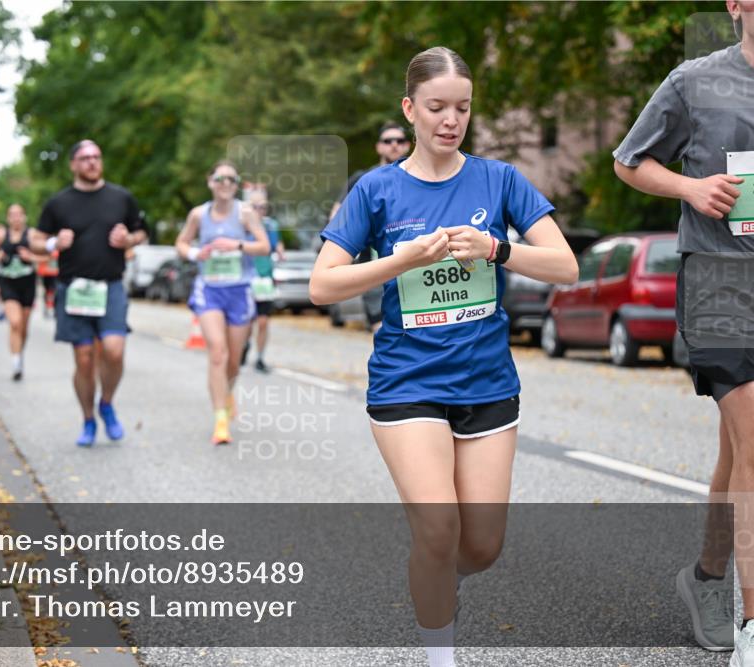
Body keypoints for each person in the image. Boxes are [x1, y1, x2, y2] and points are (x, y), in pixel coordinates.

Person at [309, 47, 577, 667]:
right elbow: (324, 285)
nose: (450, 119)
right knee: (437, 529)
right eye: (436, 107)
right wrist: (403, 259)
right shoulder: (376, 189)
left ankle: (439, 579)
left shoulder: (500, 180)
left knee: (480, 546)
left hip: (486, 381)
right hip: (407, 381)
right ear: (410, 110)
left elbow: (564, 266)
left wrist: (494, 248)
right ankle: (440, 655)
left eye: (461, 107)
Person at [614, 2, 754, 662]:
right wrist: (693, 190)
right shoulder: (694, 81)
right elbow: (629, 160)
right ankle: (752, 627)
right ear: (735, 4)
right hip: (721, 283)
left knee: (740, 453)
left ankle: (706, 576)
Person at [29, 140, 148, 447]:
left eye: (97, 157)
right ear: (73, 165)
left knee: (114, 350)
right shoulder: (59, 203)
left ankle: (106, 403)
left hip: (110, 286)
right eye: (85, 158)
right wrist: (55, 244)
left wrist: (128, 239)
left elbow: (141, 233)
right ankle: (87, 419)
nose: (92, 163)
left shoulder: (122, 198)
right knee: (83, 359)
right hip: (75, 288)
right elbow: (36, 240)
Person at [175, 160, 270, 444]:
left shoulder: (246, 213)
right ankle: (220, 421)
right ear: (210, 182)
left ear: (236, 185)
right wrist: (195, 254)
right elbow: (181, 243)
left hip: (239, 291)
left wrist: (237, 245)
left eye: (231, 179)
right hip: (210, 290)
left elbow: (263, 246)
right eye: (220, 178)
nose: (225, 184)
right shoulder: (198, 214)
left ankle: (227, 392)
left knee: (232, 360)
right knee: (217, 352)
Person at [329, 121, 413, 332]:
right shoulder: (363, 180)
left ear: (408, 145)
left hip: (414, 270)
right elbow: (337, 217)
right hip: (376, 270)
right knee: (383, 331)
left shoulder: (420, 178)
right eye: (388, 141)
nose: (394, 145)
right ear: (379, 147)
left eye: (400, 140)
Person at [0, 204, 44, 381]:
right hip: (7, 282)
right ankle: (16, 363)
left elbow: (48, 256)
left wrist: (31, 257)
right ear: (8, 218)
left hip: (27, 283)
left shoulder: (32, 234)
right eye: (12, 215)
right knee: (15, 323)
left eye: (18, 215)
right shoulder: (1, 235)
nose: (15, 218)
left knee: (24, 327)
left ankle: (19, 354)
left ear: (24, 217)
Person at [243, 189, 286, 373]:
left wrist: (280, 252)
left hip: (264, 279)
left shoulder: (270, 226)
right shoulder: (242, 226)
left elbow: (277, 245)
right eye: (255, 206)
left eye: (263, 206)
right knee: (246, 322)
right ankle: (243, 345)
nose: (260, 210)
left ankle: (259, 358)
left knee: (263, 322)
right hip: (246, 279)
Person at [37, 248, 60, 319]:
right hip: (46, 273)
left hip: (56, 273)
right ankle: (48, 307)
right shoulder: (45, 245)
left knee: (55, 291)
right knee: (48, 291)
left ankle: (53, 308)